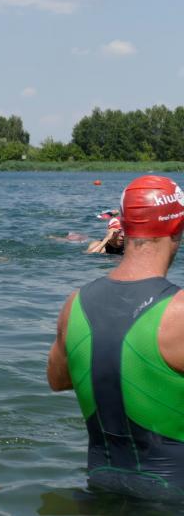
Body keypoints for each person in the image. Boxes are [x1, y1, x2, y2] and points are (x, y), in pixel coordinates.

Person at [47, 175, 184, 501]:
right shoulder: (179, 311)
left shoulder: (75, 304)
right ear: (178, 225)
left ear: (123, 225)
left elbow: (58, 380)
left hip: (100, 488)